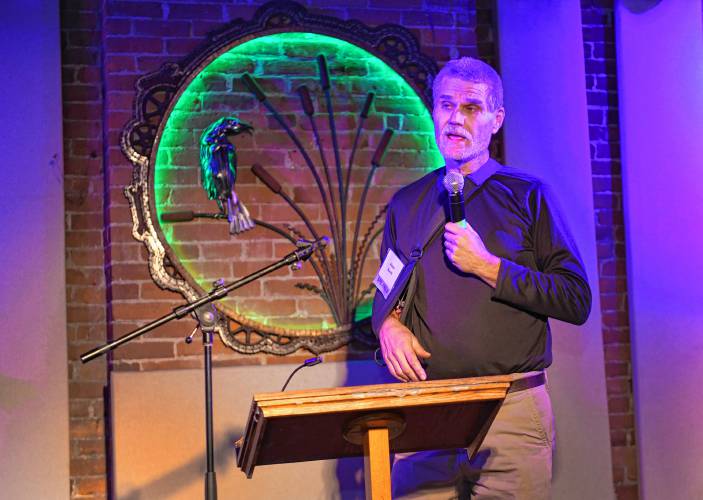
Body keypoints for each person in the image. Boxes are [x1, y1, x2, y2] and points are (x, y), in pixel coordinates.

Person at [371, 57, 592, 498]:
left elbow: (575, 298)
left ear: (496, 119)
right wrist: (386, 325)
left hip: (509, 411)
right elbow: (386, 289)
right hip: (427, 409)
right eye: (446, 105)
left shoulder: (528, 195)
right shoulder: (407, 203)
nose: (455, 118)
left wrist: (488, 266)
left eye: (471, 107)